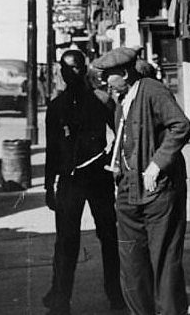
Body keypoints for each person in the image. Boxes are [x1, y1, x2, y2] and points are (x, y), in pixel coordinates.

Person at [92, 46, 190, 315]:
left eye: (108, 75)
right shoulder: (122, 98)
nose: (104, 81)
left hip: (158, 189)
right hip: (129, 189)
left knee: (164, 260)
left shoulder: (152, 90)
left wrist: (156, 165)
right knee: (131, 262)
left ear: (124, 74)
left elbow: (181, 126)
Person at [43, 49, 124, 315]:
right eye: (66, 69)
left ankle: (116, 295)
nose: (71, 73)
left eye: (76, 67)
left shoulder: (101, 100)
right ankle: (60, 299)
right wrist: (48, 186)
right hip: (68, 181)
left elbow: (121, 132)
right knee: (66, 242)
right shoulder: (55, 107)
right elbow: (52, 150)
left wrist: (112, 160)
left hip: (98, 178)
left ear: (84, 68)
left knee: (109, 236)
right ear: (61, 72)